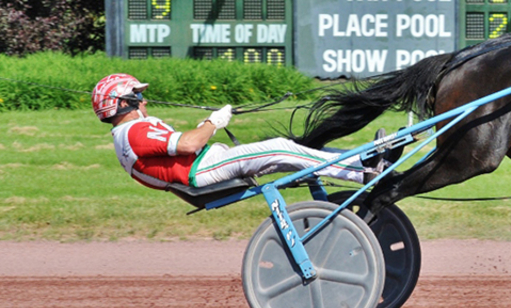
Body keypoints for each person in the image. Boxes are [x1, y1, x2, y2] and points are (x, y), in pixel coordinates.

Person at [92, 73, 396, 191]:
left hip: (206, 163)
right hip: (203, 170)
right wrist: (212, 122)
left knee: (290, 151)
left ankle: (363, 161)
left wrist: (205, 128)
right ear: (123, 103)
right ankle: (361, 173)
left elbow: (182, 147)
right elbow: (186, 146)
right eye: (138, 95)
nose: (144, 100)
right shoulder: (132, 132)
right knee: (281, 147)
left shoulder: (129, 134)